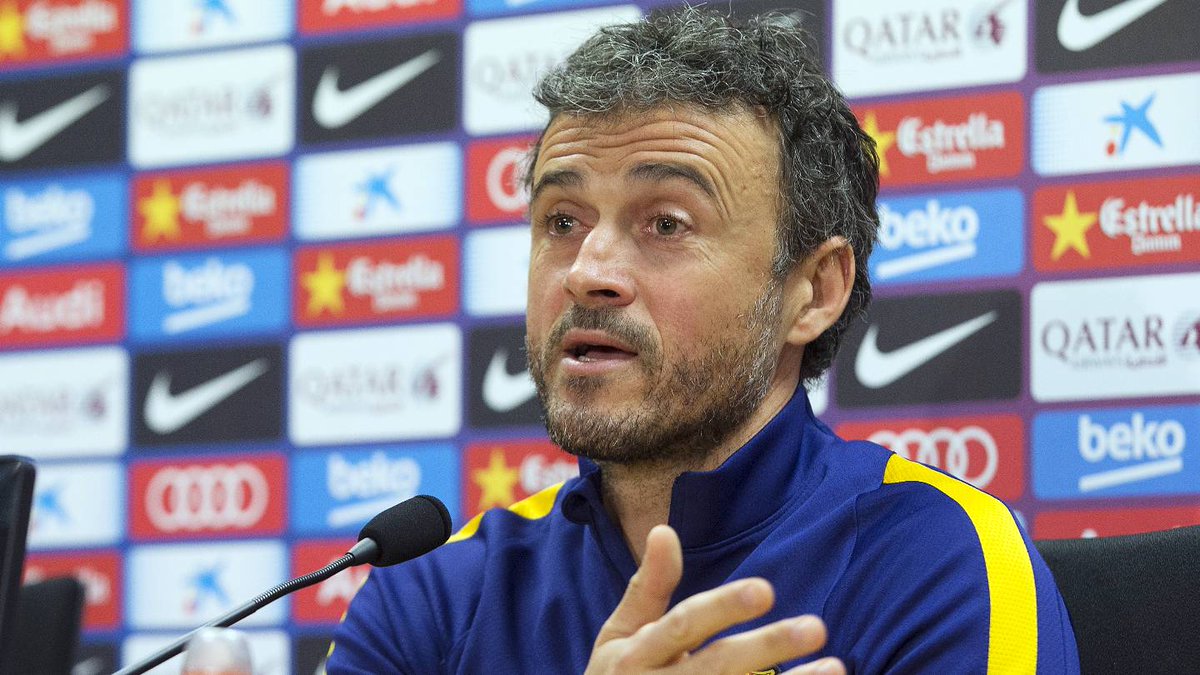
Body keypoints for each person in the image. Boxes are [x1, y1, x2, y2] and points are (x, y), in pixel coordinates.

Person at [327, 8, 1080, 673]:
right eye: (562, 222)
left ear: (813, 291)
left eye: (666, 223)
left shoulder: (940, 561)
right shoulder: (434, 594)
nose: (588, 272)